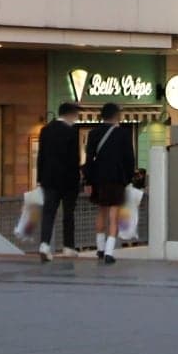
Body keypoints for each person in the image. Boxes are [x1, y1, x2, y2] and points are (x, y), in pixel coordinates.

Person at [84, 102, 138, 264]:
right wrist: (129, 179)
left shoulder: (93, 133)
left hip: (98, 179)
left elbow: (88, 160)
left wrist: (88, 180)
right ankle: (109, 252)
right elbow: (129, 159)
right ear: (116, 116)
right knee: (114, 215)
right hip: (116, 178)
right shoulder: (123, 134)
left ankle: (99, 249)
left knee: (101, 212)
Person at [35, 101, 83, 262]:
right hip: (68, 181)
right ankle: (68, 246)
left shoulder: (45, 130)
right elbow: (73, 159)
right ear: (70, 115)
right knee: (68, 213)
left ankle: (44, 244)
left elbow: (40, 157)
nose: (76, 118)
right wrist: (77, 179)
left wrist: (40, 179)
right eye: (75, 115)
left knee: (49, 213)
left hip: (49, 179)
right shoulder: (71, 132)